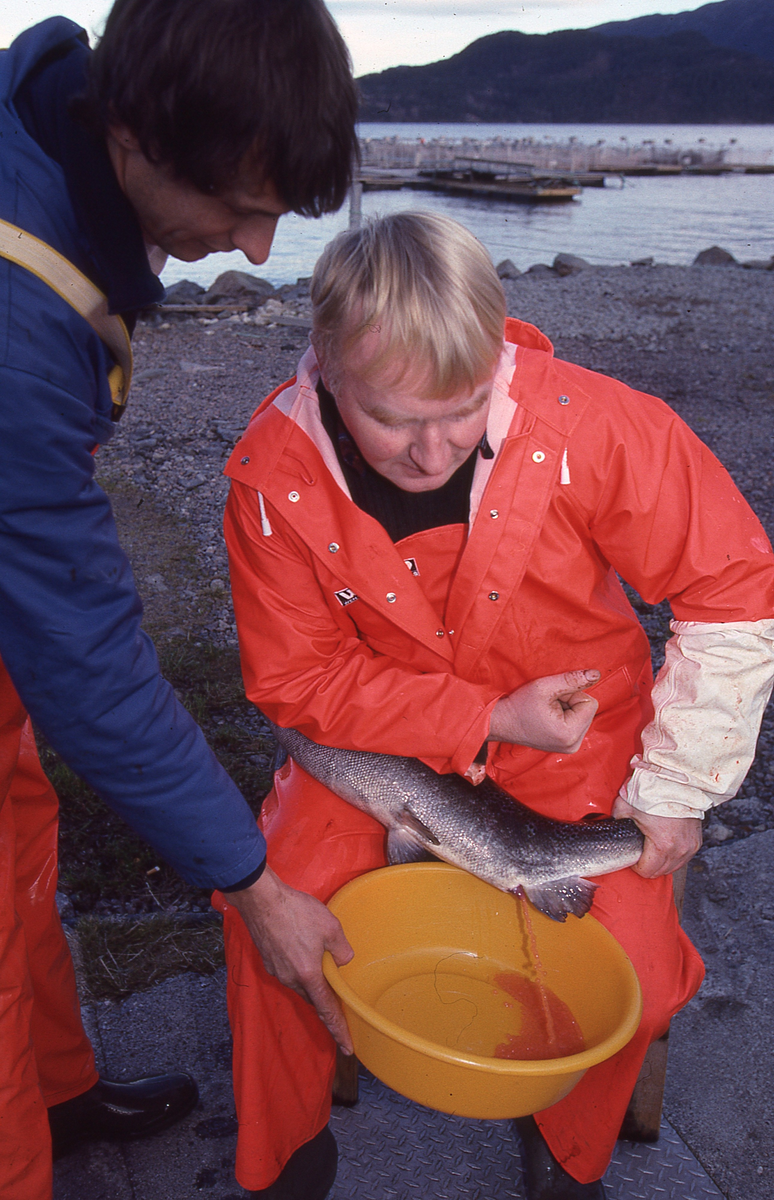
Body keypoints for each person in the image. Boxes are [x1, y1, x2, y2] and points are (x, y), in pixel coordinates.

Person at [218, 211, 774, 1199]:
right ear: (327, 371)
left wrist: (680, 786)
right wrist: (478, 717)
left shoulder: (598, 426)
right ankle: (289, 1158)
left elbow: (734, 587)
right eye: (393, 419)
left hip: (579, 746)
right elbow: (296, 686)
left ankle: (570, 1157)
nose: (432, 453)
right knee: (274, 918)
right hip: (373, 753)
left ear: (498, 356)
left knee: (634, 985)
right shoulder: (271, 478)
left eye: (465, 410)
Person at [0, 3, 359, 1198]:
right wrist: (253, 882)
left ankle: (57, 1089)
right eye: (240, 207)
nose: (257, 251)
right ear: (138, 132)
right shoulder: (12, 313)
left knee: (22, 835)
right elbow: (90, 660)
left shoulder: (59, 145)